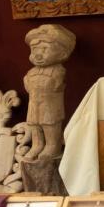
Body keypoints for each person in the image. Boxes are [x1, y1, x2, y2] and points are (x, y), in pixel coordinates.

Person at [22, 23, 75, 161]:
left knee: (49, 124)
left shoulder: (58, 71)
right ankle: (37, 145)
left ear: (62, 53)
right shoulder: (31, 72)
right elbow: (28, 86)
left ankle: (53, 145)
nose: (38, 54)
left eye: (45, 49)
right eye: (34, 50)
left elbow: (55, 85)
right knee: (34, 124)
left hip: (50, 105)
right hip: (34, 104)